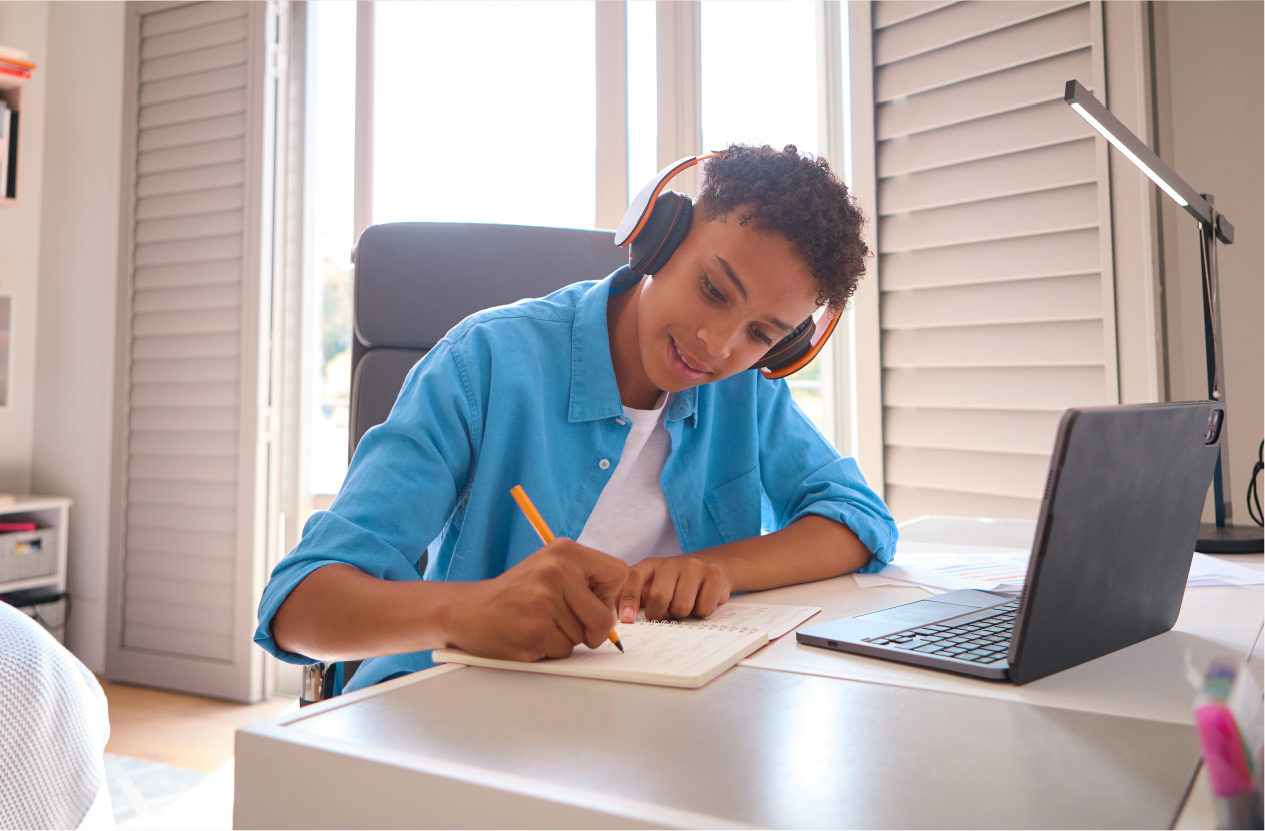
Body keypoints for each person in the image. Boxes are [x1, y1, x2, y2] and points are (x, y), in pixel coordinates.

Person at [256, 144, 897, 693]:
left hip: (650, 716)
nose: (717, 344)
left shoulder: (744, 391)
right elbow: (297, 605)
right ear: (662, 237)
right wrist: (468, 609)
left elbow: (858, 520)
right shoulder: (486, 361)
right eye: (713, 289)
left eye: (761, 333)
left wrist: (723, 567)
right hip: (456, 713)